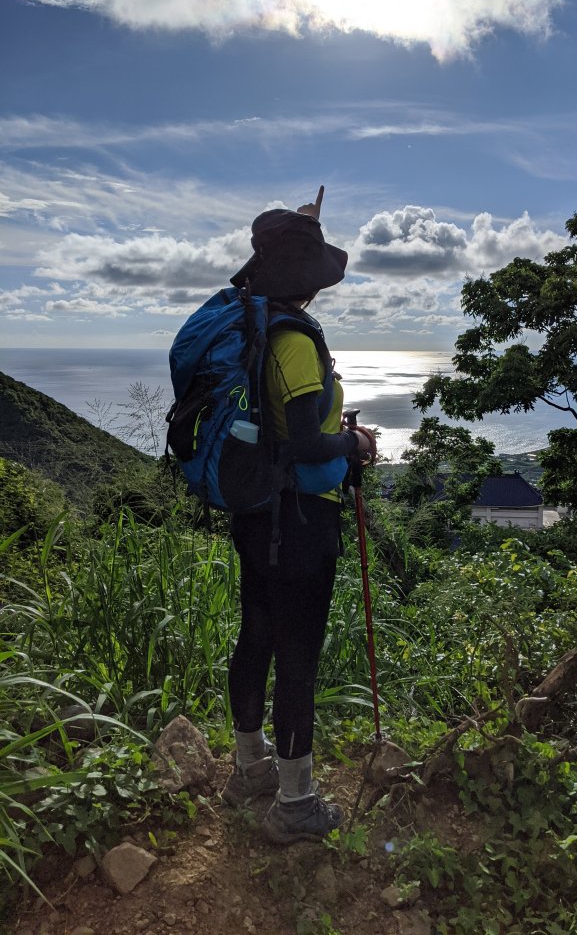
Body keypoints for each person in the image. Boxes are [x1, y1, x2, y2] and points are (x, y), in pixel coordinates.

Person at [221, 186, 377, 844]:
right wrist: (354, 444)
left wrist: (299, 225)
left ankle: (248, 765)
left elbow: (276, 425)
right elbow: (308, 443)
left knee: (255, 633)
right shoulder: (296, 339)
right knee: (298, 657)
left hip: (254, 507)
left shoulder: (247, 318)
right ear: (307, 283)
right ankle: (296, 803)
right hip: (300, 523)